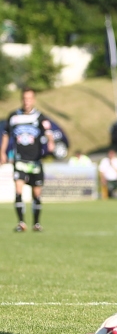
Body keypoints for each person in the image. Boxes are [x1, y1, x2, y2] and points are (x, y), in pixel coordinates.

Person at [0, 87, 55, 232]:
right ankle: (21, 223)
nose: (27, 102)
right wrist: (2, 152)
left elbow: (49, 132)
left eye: (29, 99)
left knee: (36, 193)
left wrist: (51, 142)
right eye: (24, 99)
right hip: (20, 161)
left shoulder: (40, 117)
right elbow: (6, 135)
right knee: (18, 190)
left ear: (34, 100)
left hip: (35, 162)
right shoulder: (14, 116)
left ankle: (36, 223)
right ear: (21, 99)